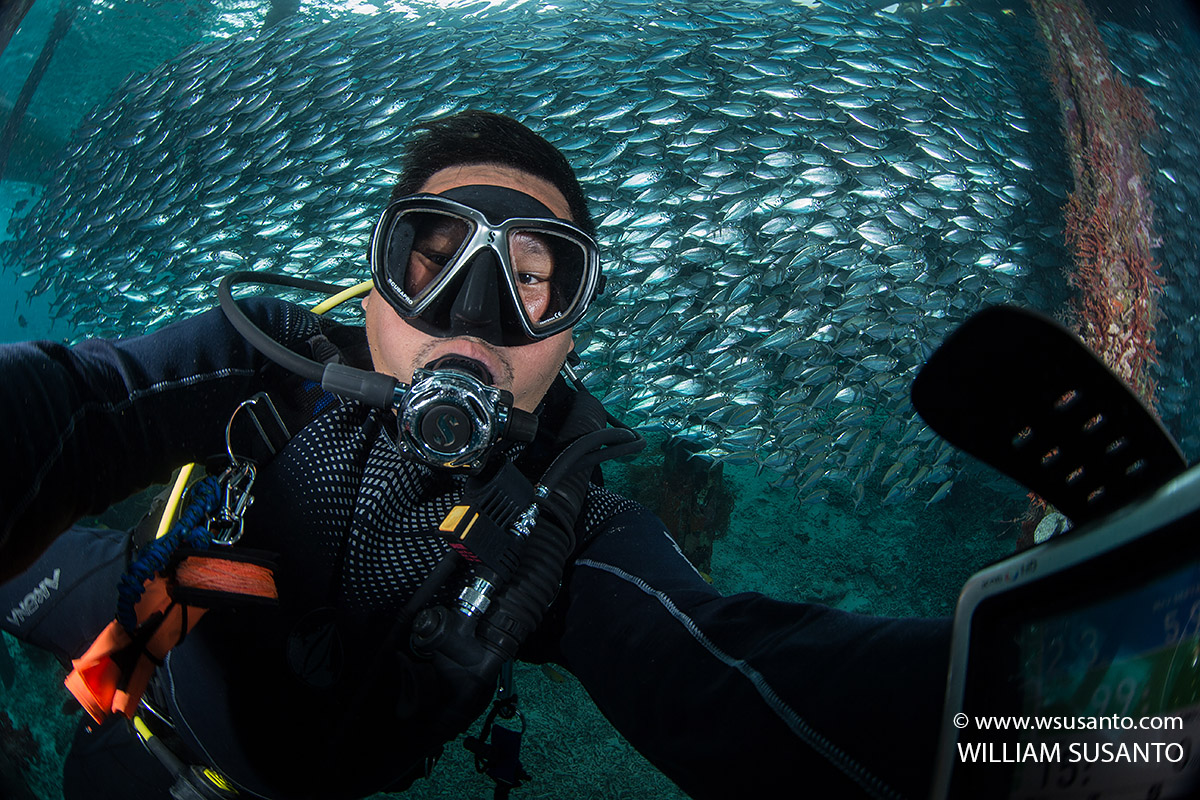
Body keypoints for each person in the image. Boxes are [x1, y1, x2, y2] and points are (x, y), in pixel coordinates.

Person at [0, 110, 951, 800]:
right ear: (375, 287)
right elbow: (80, 402)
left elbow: (722, 673)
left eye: (531, 277)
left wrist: (1022, 698)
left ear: (569, 333)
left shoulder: (561, 525)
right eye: (432, 257)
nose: (475, 314)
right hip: (129, 627)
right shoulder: (269, 363)